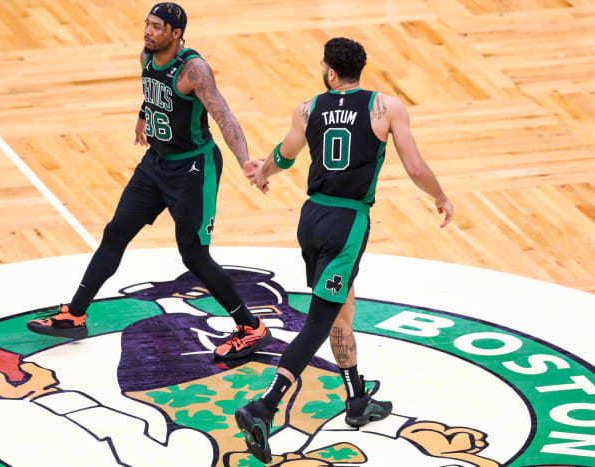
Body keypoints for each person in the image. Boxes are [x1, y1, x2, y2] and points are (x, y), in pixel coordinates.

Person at [235, 37, 454, 464]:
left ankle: (356, 399)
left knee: (340, 310)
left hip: (311, 217)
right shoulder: (386, 107)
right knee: (319, 321)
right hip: (348, 223)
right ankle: (263, 407)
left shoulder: (308, 108)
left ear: (330, 72)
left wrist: (262, 171)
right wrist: (441, 196)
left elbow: (285, 153)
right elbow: (413, 166)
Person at [27, 2, 271, 360]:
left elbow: (223, 115)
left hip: (193, 169)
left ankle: (250, 327)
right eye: (148, 24)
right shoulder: (146, 54)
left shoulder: (194, 69)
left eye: (158, 27)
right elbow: (152, 89)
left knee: (194, 255)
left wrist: (245, 161)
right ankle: (74, 315)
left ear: (176, 34)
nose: (148, 31)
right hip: (156, 163)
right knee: (115, 233)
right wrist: (144, 114)